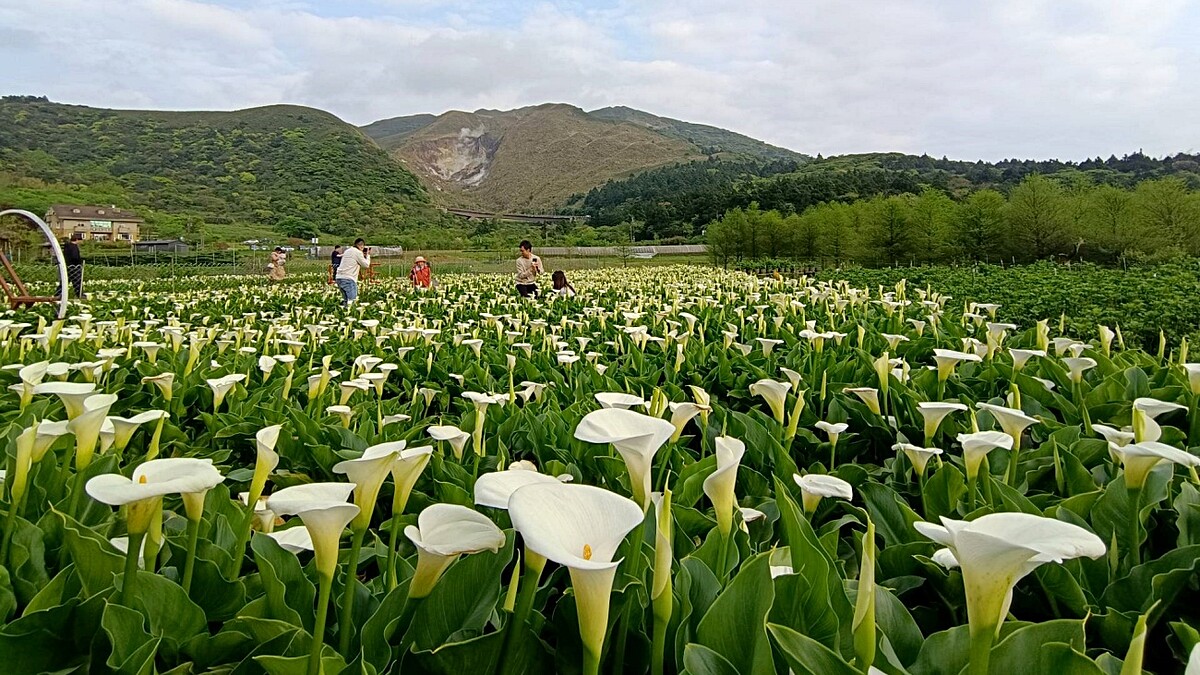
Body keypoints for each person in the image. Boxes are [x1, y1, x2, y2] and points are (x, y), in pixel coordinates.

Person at [334, 238, 370, 305]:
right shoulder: (357, 252)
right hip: (348, 279)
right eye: (363, 247)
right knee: (352, 302)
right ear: (361, 246)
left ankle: (343, 313)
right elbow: (366, 265)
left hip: (339, 278)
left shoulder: (348, 251)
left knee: (346, 301)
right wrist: (368, 256)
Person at [61, 234, 84, 299]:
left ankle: (59, 294)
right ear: (77, 240)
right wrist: (79, 262)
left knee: (64, 281)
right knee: (77, 281)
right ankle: (80, 294)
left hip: (67, 266)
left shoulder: (67, 246)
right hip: (75, 267)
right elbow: (75, 257)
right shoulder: (74, 247)